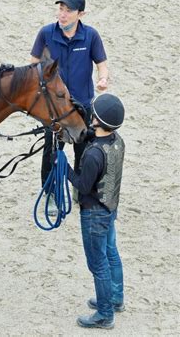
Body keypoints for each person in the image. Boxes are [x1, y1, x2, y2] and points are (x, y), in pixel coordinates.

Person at [29, 0, 110, 210]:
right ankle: (50, 193)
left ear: (80, 14)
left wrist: (103, 79)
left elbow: (101, 63)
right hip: (54, 108)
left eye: (68, 10)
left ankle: (80, 192)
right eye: (61, 9)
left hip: (82, 106)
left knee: (83, 152)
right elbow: (33, 64)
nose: (62, 14)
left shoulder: (91, 36)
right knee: (51, 151)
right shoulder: (46, 33)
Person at [66, 93, 125, 329]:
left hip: (93, 214)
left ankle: (104, 314)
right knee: (112, 253)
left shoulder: (92, 155)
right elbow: (94, 137)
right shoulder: (117, 140)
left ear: (97, 120)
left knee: (97, 264)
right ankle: (115, 298)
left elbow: (82, 185)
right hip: (110, 207)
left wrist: (65, 169)